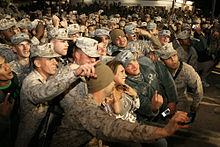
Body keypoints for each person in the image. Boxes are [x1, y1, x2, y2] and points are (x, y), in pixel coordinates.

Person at [51, 62, 189, 147]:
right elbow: (117, 128)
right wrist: (163, 131)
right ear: (104, 85)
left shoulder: (91, 102)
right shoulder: (87, 110)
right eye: (111, 80)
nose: (114, 83)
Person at [15, 43, 99, 147]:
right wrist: (74, 74)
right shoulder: (30, 82)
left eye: (55, 58)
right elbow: (43, 93)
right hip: (29, 140)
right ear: (37, 63)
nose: (55, 62)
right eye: (50, 59)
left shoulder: (48, 77)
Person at [115, 50, 178, 122]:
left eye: (134, 61)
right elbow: (143, 106)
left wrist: (172, 101)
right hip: (150, 118)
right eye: (129, 65)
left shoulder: (148, 63)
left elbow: (167, 79)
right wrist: (154, 108)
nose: (135, 66)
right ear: (123, 69)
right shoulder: (127, 86)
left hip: (167, 106)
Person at [159, 43, 203, 112]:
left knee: (176, 117)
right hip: (162, 102)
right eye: (168, 58)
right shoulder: (159, 70)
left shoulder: (187, 70)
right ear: (163, 62)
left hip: (179, 102)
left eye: (174, 55)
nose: (173, 59)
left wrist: (195, 104)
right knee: (163, 116)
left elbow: (198, 87)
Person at [0, 56, 20, 147]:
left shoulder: (14, 77)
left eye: (5, 62)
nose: (7, 67)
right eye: (0, 67)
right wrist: (3, 117)